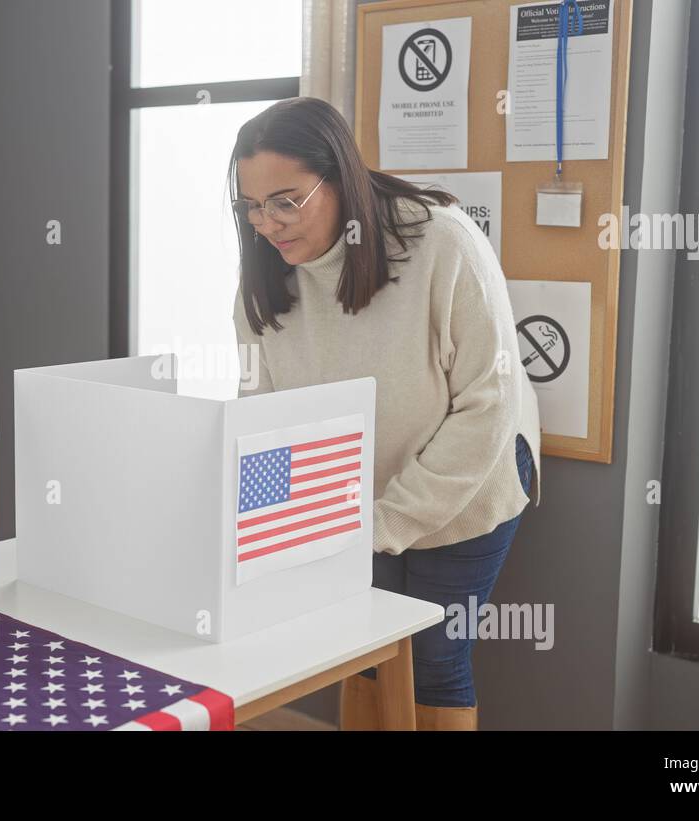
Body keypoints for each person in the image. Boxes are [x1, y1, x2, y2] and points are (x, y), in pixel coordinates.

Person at [229, 97, 540, 731]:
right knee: (361, 657)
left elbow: (488, 405)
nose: (268, 223)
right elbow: (259, 407)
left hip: (470, 477)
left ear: (339, 177)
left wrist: (386, 521)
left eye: (286, 200)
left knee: (433, 658)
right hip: (350, 495)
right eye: (251, 206)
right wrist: (269, 519)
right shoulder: (262, 277)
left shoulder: (443, 243)